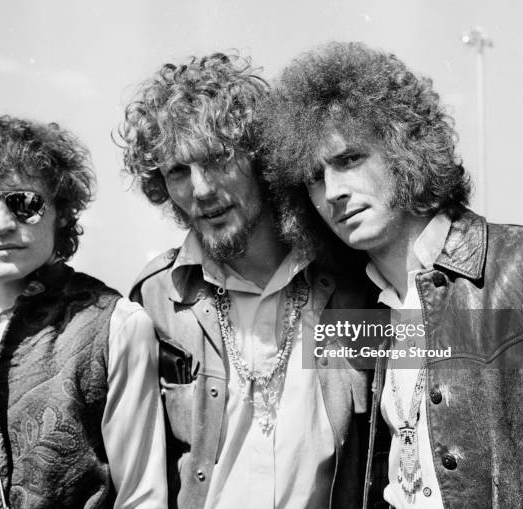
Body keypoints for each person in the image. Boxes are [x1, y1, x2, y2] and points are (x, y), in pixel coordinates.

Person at [258, 41, 523, 509]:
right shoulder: (365, 304)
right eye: (315, 177)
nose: (333, 191)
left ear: (402, 147)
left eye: (349, 159)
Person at [120, 52, 370, 509]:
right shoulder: (155, 299)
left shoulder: (354, 280)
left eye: (217, 159)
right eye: (178, 170)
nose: (200, 189)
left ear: (261, 158)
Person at [0, 116, 167, 509]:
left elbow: (142, 497)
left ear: (61, 212)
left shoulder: (114, 325)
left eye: (24, 203)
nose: (1, 224)